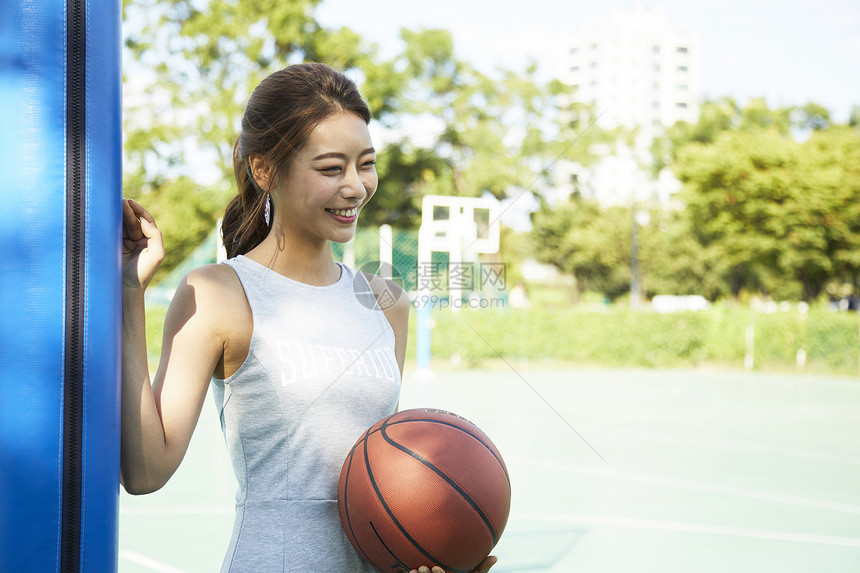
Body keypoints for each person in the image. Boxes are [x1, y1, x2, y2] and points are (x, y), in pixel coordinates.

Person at [121, 62, 497, 573]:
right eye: (330, 168)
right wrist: (128, 294)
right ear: (264, 170)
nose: (356, 187)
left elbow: (383, 480)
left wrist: (438, 547)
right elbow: (146, 470)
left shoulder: (387, 301)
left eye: (365, 163)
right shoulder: (217, 292)